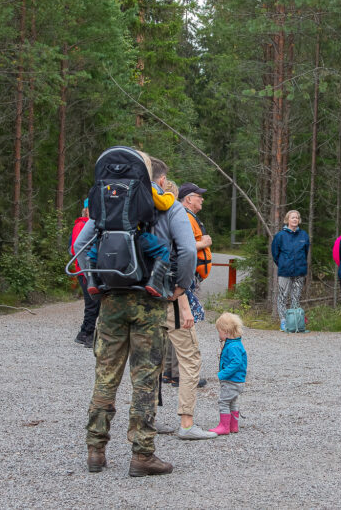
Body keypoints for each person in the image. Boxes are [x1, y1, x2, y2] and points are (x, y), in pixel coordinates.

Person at [75, 150, 196, 476]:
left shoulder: (107, 202)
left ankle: (95, 450)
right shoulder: (168, 205)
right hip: (150, 301)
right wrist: (180, 287)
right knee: (144, 379)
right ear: (157, 177)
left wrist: (93, 280)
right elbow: (186, 250)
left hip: (111, 300)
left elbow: (80, 246)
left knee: (105, 376)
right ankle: (142, 455)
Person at [154, 166, 216, 441]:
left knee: (148, 360)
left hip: (142, 296)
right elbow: (187, 252)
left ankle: (144, 422)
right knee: (190, 358)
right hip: (170, 295)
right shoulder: (174, 214)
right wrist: (181, 296)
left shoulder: (137, 213)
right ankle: (187, 424)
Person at [208, 312, 247, 436]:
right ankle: (233, 426)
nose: (219, 334)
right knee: (233, 402)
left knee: (224, 402)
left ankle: (224, 426)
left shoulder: (233, 346)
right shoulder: (235, 343)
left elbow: (236, 362)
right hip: (237, 380)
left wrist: (223, 374)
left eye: (219, 331)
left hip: (231, 380)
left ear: (225, 331)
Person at [270, 210, 311, 327]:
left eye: (297, 218)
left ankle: (294, 321)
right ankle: (283, 321)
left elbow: (306, 251)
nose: (295, 219)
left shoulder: (303, 235)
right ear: (287, 219)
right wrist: (283, 264)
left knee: (296, 297)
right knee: (282, 296)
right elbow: (275, 254)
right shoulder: (280, 236)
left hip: (299, 271)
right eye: (293, 217)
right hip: (285, 272)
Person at [71, 201, 98, 348]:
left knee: (93, 303)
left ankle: (84, 333)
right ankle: (88, 334)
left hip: (85, 268)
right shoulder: (82, 225)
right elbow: (77, 247)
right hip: (84, 270)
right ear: (86, 210)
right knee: (92, 303)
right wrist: (86, 269)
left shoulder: (86, 224)